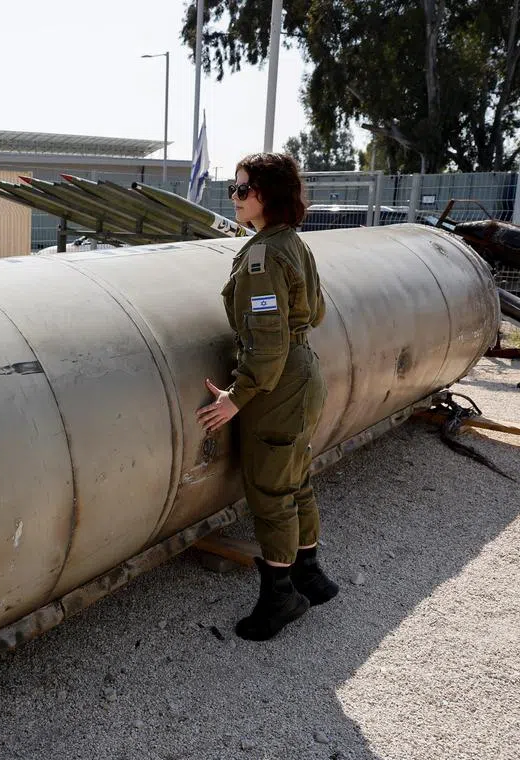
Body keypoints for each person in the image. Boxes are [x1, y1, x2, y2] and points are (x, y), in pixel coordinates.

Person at [195, 152, 339, 642]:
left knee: (272, 491)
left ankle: (282, 597)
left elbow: (268, 341)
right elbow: (314, 313)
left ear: (265, 195)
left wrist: (236, 396)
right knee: (295, 478)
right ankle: (309, 571)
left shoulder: (260, 258)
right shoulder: (293, 244)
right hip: (303, 374)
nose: (233, 198)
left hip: (278, 384)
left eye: (240, 189)